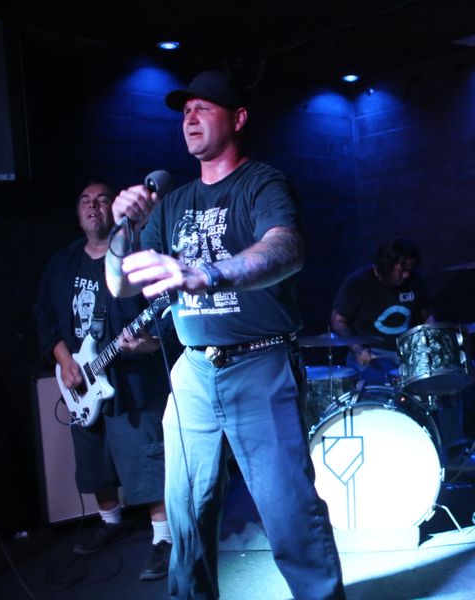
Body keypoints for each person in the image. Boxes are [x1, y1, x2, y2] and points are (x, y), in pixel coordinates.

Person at [105, 70, 344, 599]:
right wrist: (123, 230)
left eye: (204, 108)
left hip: (259, 365)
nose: (190, 118)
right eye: (185, 111)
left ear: (237, 118)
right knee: (186, 515)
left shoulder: (262, 183)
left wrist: (206, 274)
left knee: (290, 513)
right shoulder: (173, 202)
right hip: (193, 370)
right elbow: (120, 284)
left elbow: (286, 248)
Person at [34, 182, 172, 581]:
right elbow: (44, 315)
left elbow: (167, 318)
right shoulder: (62, 263)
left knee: (146, 459)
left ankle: (164, 538)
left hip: (132, 382)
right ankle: (110, 521)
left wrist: (148, 344)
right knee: (93, 459)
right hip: (81, 380)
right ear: (78, 214)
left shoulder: (137, 257)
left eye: (102, 200)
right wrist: (64, 360)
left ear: (115, 210)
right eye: (85, 201)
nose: (93, 206)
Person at [330, 237, 434, 386]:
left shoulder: (416, 281)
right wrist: (358, 350)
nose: (406, 275)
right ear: (387, 265)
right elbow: (338, 321)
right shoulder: (358, 282)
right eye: (402, 270)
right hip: (372, 354)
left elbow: (427, 317)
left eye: (410, 270)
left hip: (407, 354)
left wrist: (431, 342)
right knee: (378, 386)